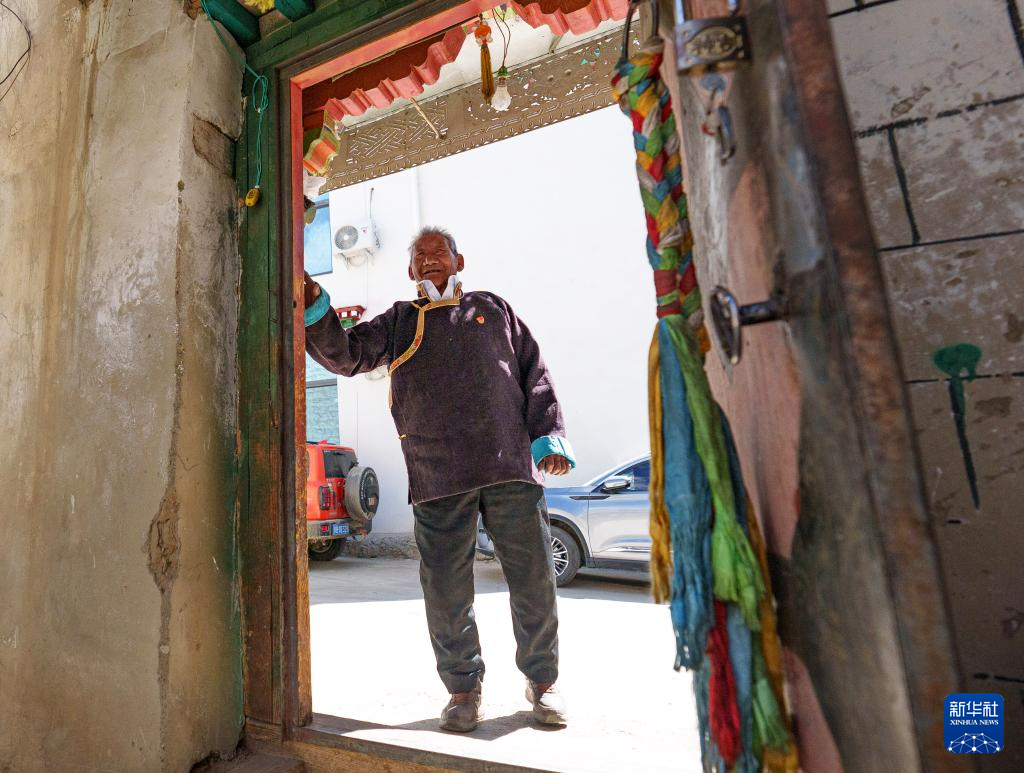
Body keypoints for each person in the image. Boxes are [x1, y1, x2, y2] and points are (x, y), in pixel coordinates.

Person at [303, 226, 576, 732]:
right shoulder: (400, 321)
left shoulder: (492, 308)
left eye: (439, 252)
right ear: (410, 270)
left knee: (534, 578)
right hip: (437, 472)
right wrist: (315, 304)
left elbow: (533, 370)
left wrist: (548, 435)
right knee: (447, 591)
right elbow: (347, 355)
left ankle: (544, 683)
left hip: (508, 466)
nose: (430, 260)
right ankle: (463, 689)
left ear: (458, 261)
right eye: (420, 255)